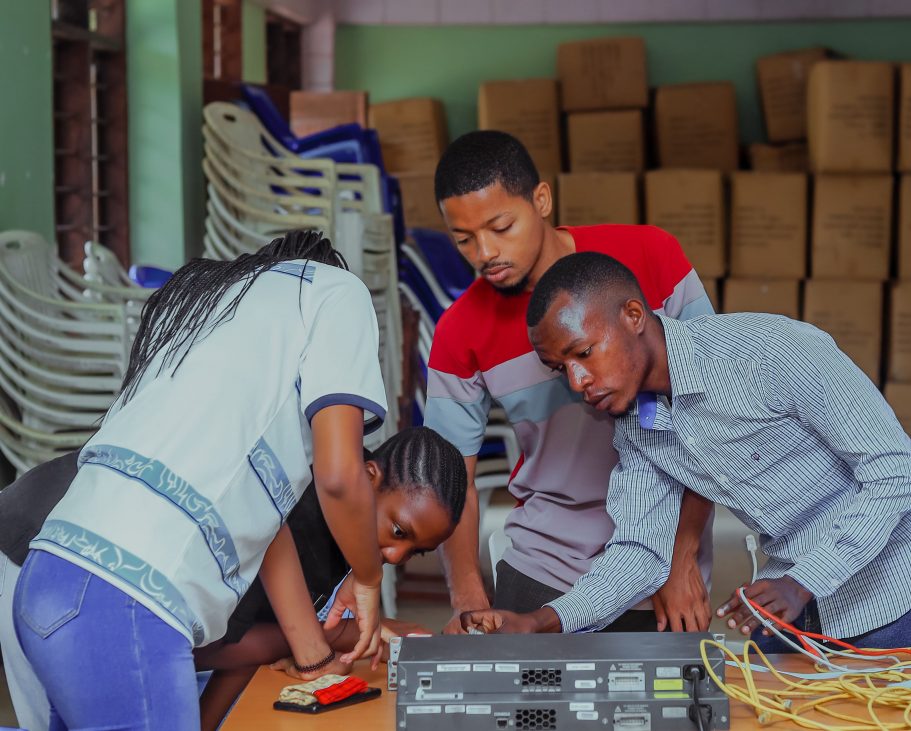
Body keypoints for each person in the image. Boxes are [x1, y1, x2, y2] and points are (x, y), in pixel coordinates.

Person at [9, 230, 446, 730]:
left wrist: (316, 657)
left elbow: (269, 531)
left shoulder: (214, 321)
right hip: (126, 597)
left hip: (49, 573)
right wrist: (367, 581)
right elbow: (338, 476)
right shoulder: (334, 291)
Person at [461, 251, 911, 649]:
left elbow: (896, 474)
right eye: (560, 369)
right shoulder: (636, 425)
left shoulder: (772, 352)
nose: (578, 381)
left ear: (634, 315)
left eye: (584, 353)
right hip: (797, 588)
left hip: (899, 580)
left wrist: (804, 581)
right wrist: (543, 621)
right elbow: (640, 552)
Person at [426, 130, 716, 635]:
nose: (485, 253)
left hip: (662, 572)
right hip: (543, 573)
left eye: (501, 226)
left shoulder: (651, 257)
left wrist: (681, 555)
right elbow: (454, 480)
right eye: (464, 239)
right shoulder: (459, 331)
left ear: (541, 199)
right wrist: (467, 594)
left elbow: (710, 414)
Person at [1, 427, 465, 731]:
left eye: (415, 551)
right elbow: (199, 649)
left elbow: (241, 644)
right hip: (48, 551)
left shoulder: (343, 527)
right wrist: (319, 640)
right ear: (367, 475)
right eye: (398, 531)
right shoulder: (301, 510)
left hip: (115, 569)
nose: (394, 554)